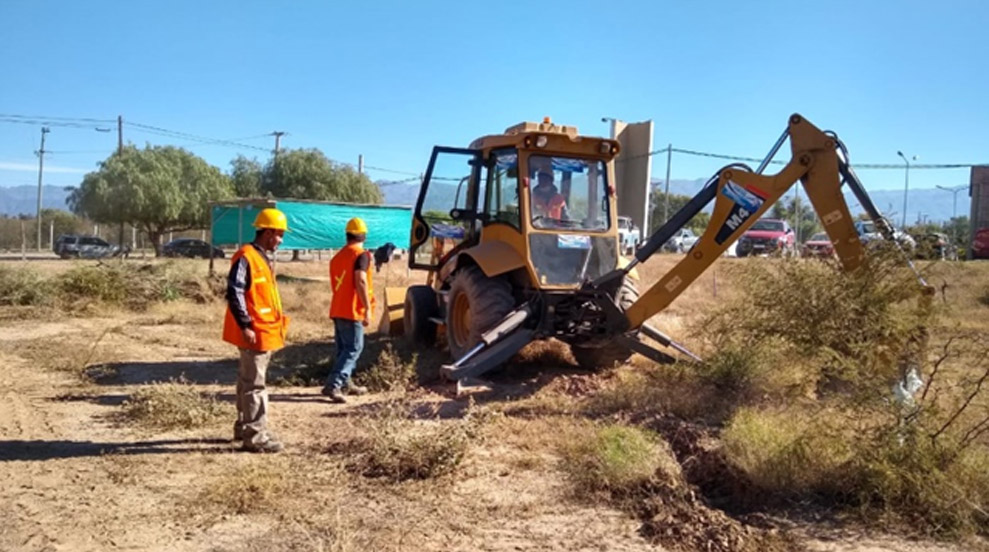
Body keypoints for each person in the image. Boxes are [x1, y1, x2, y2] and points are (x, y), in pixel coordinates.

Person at [223, 208, 290, 453]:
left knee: (247, 380)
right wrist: (245, 324)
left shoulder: (260, 257)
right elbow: (235, 291)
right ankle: (255, 436)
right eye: (279, 234)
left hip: (263, 330)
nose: (281, 240)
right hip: (254, 331)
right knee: (255, 385)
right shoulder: (246, 256)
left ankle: (244, 427)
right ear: (268, 231)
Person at [322, 217, 375, 403]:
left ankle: (347, 384)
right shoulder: (362, 255)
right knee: (354, 348)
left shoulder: (338, 256)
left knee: (343, 349)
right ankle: (334, 384)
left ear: (347, 235)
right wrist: (367, 308)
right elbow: (360, 280)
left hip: (338, 307)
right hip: (352, 309)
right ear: (364, 236)